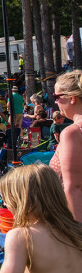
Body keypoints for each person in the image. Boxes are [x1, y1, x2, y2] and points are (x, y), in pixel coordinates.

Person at [52, 70, 82, 221]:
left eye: (57, 97)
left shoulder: (73, 132)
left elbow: (74, 188)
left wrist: (77, 235)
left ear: (72, 98)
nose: (55, 102)